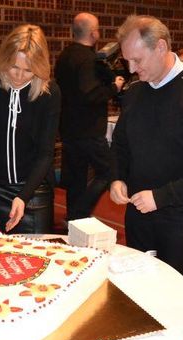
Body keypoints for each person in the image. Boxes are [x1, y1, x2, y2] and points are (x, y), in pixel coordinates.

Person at [110, 15, 183, 292]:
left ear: (161, 47)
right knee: (138, 285)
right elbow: (121, 144)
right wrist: (117, 177)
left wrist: (161, 198)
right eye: (127, 60)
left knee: (174, 289)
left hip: (178, 215)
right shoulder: (136, 90)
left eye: (137, 60)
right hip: (137, 208)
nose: (131, 68)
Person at [0, 24, 61, 234]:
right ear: (4, 59)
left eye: (28, 70)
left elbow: (46, 152)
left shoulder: (50, 93)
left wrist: (24, 195)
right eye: (14, 67)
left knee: (37, 256)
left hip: (34, 189)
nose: (19, 76)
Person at [55, 13, 125, 222]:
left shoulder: (65, 55)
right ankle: (79, 213)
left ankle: (73, 219)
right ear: (94, 33)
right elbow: (90, 94)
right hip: (89, 129)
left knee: (76, 176)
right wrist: (114, 87)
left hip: (68, 127)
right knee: (109, 171)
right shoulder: (88, 59)